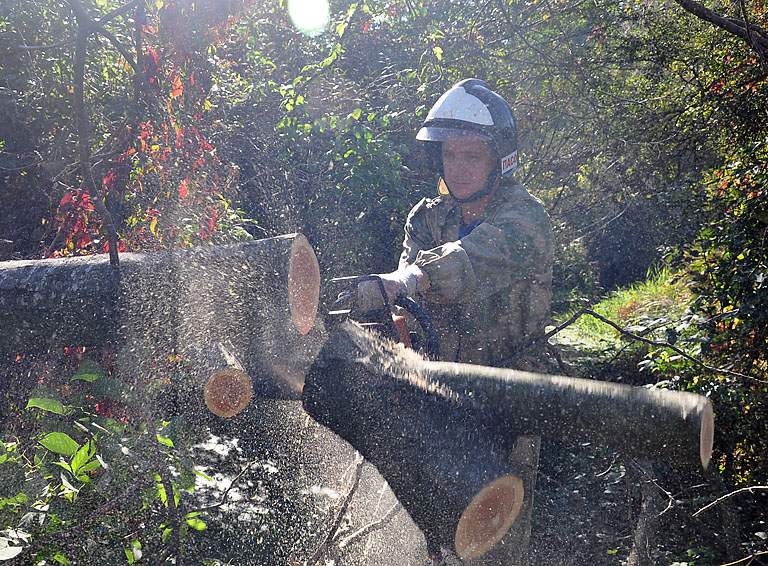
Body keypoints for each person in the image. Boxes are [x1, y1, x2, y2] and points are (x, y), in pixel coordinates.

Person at [358, 78, 553, 368]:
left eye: (472, 156)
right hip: (443, 381)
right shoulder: (427, 218)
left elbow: (471, 260)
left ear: (499, 160)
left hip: (515, 390)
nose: (458, 168)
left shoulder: (526, 218)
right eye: (450, 154)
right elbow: (405, 306)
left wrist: (411, 279)